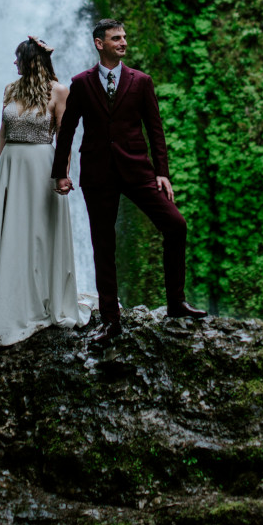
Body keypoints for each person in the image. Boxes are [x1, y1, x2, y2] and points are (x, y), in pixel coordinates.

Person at [52, 19, 206, 346]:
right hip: (97, 173)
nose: (123, 43)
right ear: (99, 43)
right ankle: (110, 321)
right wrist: (61, 173)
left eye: (124, 37)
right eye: (116, 38)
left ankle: (176, 303)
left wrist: (162, 172)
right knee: (103, 245)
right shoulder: (81, 83)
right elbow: (66, 129)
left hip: (137, 169)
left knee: (176, 225)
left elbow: (155, 129)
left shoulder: (141, 82)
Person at [0, 36, 90, 345]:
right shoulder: (10, 89)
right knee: (11, 233)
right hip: (11, 168)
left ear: (31, 60)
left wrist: (62, 175)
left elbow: (64, 137)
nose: (14, 63)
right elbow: (1, 134)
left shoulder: (59, 91)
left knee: (38, 234)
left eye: (18, 58)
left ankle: (42, 300)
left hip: (41, 168)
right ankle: (7, 299)